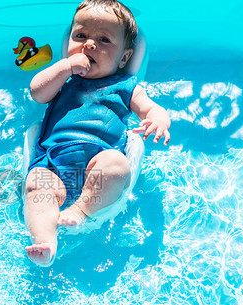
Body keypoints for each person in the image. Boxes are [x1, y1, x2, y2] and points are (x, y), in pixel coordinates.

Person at [24, 0, 171, 267]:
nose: (89, 45)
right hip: (53, 165)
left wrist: (158, 120)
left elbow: (151, 109)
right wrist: (65, 67)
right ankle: (46, 242)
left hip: (99, 164)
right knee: (36, 184)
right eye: (80, 36)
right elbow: (37, 92)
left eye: (104, 40)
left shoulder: (126, 87)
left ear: (124, 58)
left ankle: (80, 210)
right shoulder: (63, 81)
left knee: (116, 165)